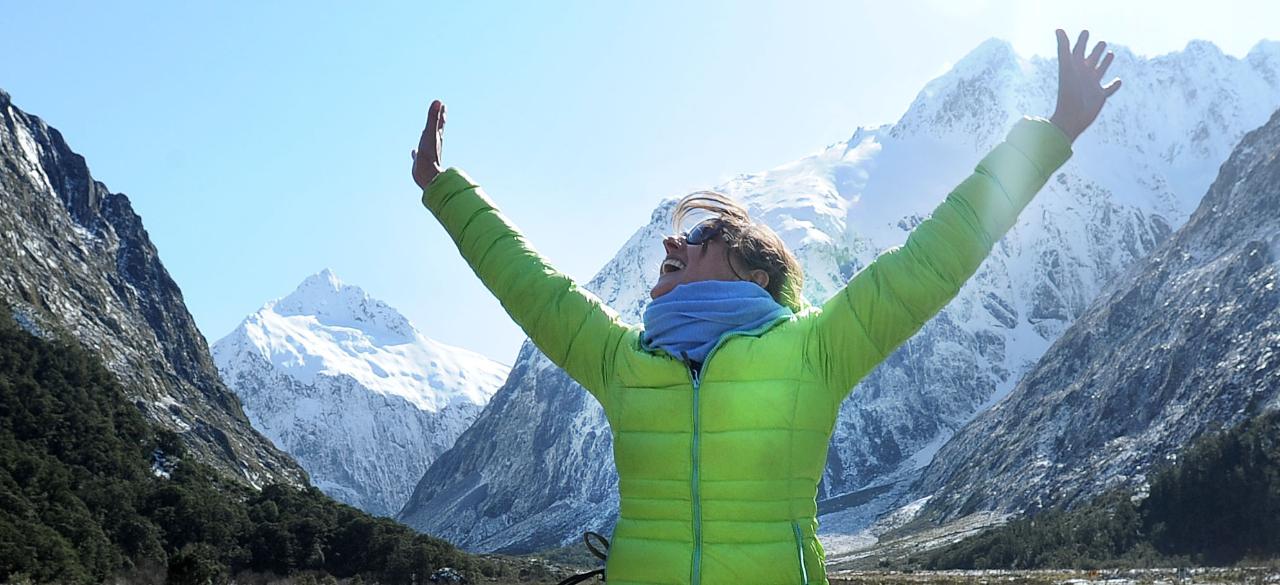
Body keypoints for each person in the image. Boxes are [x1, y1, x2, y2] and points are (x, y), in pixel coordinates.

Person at [412, 29, 1120, 585]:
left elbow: (935, 256)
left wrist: (1051, 134)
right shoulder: (623, 358)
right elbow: (528, 282)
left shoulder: (816, 350)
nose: (671, 239)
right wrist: (443, 188)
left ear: (754, 273)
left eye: (700, 235)